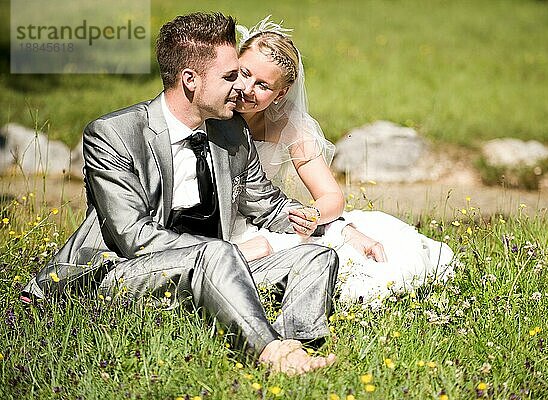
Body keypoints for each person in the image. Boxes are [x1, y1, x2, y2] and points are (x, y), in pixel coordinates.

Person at [21, 12, 338, 375]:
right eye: (231, 76)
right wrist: (221, 254)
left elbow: (267, 205)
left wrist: (327, 223)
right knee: (218, 254)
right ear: (190, 80)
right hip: (114, 272)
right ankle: (272, 356)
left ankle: (296, 345)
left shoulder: (230, 133)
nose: (241, 88)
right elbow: (133, 237)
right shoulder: (113, 134)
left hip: (207, 266)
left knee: (315, 258)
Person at [231, 17, 455, 306]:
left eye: (263, 85)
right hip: (226, 221)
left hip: (270, 215)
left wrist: (312, 215)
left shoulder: (290, 127)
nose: (248, 88)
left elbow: (330, 196)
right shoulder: (215, 111)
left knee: (354, 252)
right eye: (244, 73)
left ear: (281, 93)